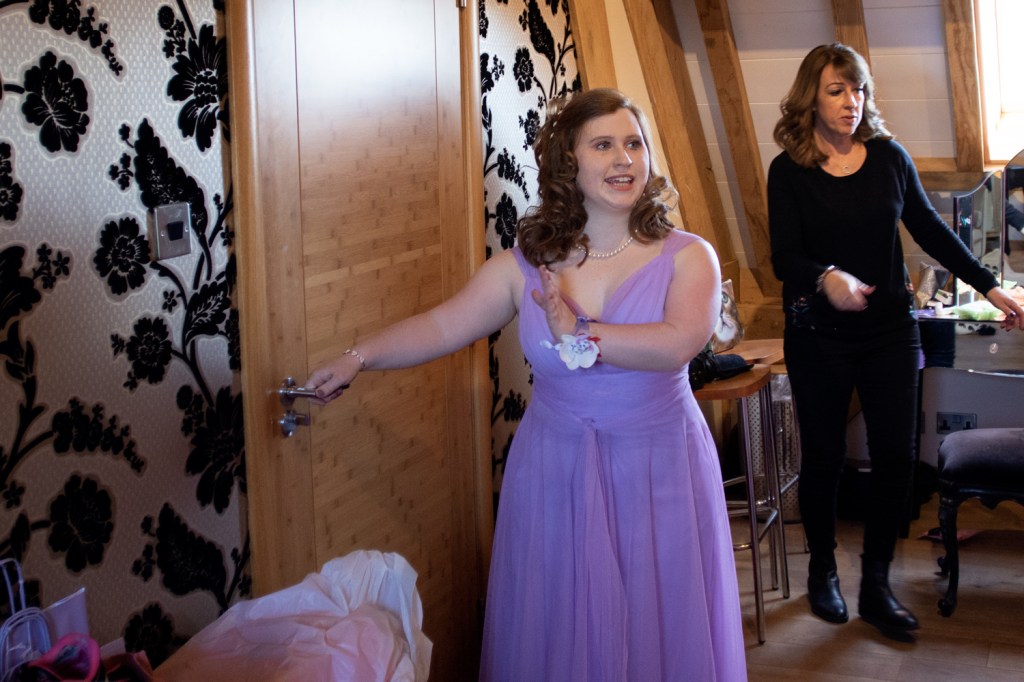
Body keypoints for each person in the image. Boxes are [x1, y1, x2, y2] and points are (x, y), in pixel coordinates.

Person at [304, 88, 747, 681]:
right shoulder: (525, 266)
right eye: (603, 145)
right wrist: (358, 357)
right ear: (569, 161)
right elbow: (442, 325)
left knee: (656, 618)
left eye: (634, 144)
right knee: (560, 619)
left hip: (658, 466)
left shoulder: (690, 256)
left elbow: (678, 342)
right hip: (554, 468)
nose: (624, 159)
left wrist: (582, 333)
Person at [767, 43, 1024, 641]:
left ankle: (876, 585)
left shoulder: (888, 157)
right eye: (836, 90)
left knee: (897, 460)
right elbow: (785, 257)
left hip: (888, 333)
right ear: (811, 99)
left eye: (858, 89)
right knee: (824, 457)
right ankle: (823, 572)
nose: (851, 101)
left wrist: (990, 286)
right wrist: (826, 276)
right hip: (817, 336)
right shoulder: (788, 170)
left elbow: (930, 229)